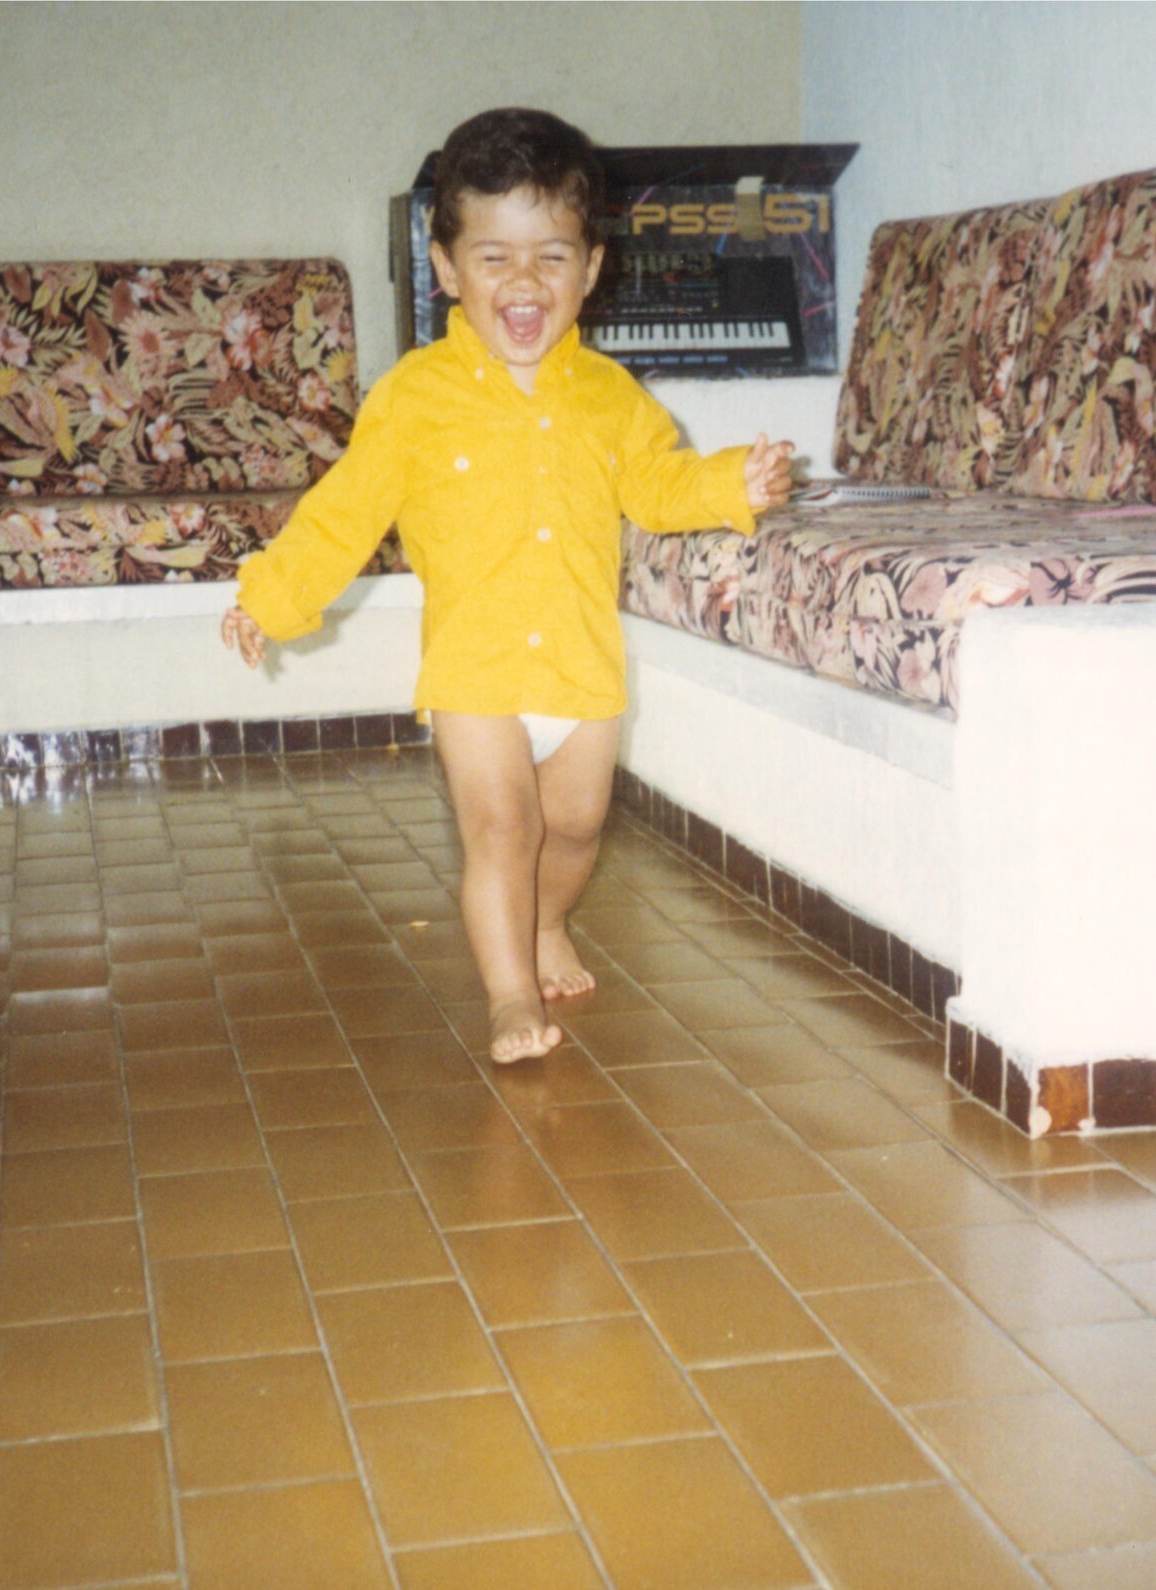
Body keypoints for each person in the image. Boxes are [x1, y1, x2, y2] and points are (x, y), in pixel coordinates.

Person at [222, 107, 793, 1063]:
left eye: (552, 257)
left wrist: (728, 482)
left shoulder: (611, 396)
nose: (524, 281)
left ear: (591, 270)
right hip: (476, 673)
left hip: (579, 667)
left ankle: (543, 922)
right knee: (502, 830)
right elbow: (343, 512)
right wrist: (272, 598)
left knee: (572, 833)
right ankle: (507, 996)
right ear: (447, 268)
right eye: (494, 258)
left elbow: (657, 484)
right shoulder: (412, 398)